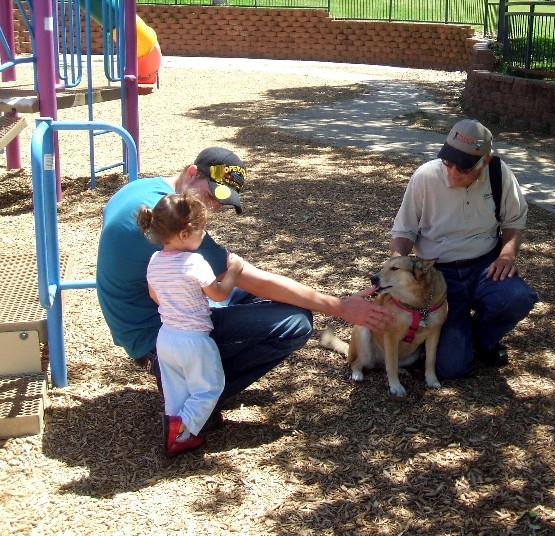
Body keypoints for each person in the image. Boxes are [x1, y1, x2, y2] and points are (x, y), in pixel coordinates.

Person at [97, 146, 393, 431]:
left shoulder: (147, 196)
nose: (213, 207)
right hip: (155, 333)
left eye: (221, 203)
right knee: (296, 323)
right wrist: (340, 306)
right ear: (191, 173)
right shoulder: (175, 226)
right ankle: (194, 398)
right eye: (211, 195)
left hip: (147, 316)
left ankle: (192, 378)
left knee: (275, 301)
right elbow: (251, 277)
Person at [390, 119, 539, 379]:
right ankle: (458, 337)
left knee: (518, 298)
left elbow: (514, 221)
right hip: (438, 273)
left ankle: (483, 340)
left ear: (485, 161)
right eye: (449, 162)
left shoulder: (499, 174)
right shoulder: (425, 176)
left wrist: (507, 255)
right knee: (452, 369)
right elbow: (404, 231)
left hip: (485, 265)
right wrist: (394, 268)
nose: (454, 172)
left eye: (464, 167)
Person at [137, 192, 243, 457]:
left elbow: (154, 295)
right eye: (201, 231)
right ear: (185, 234)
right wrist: (234, 272)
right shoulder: (195, 262)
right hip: (194, 339)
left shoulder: (154, 261)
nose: (203, 236)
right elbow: (219, 294)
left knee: (176, 390)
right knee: (209, 387)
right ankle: (181, 426)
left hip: (166, 337)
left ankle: (178, 436)